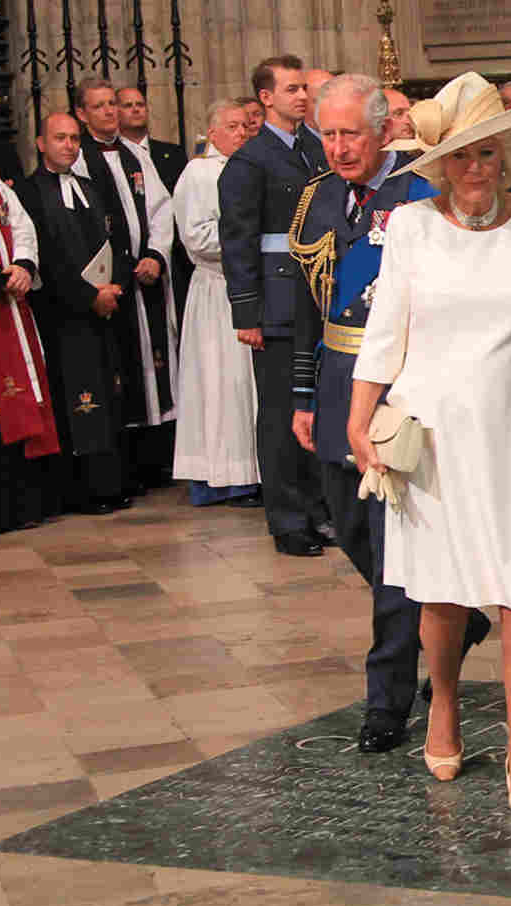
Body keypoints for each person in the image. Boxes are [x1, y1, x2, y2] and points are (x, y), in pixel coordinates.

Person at [348, 73, 511, 815]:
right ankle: (444, 701)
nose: (473, 170)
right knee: (440, 594)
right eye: (458, 159)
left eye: (485, 155)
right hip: (435, 435)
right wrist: (360, 422)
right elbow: (387, 330)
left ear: (508, 154)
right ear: (438, 166)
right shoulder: (412, 227)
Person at [289, 74, 493, 754]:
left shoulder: (417, 190)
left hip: (400, 388)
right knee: (351, 529)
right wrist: (299, 396)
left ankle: (388, 702)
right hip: (334, 381)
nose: (341, 147)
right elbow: (302, 309)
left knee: (397, 555)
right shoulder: (317, 198)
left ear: (383, 131)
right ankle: (454, 624)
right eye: (330, 134)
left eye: (352, 133)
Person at [218, 55, 333, 557]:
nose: (303, 97)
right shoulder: (250, 160)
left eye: (305, 88)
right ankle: (288, 520)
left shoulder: (316, 147)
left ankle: (319, 510)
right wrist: (247, 313)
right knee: (282, 415)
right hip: (278, 300)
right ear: (265, 98)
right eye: (291, 90)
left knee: (318, 409)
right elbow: (237, 240)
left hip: (318, 295)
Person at [17, 113, 133, 515]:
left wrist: (113, 285)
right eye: (59, 138)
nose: (69, 145)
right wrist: (87, 296)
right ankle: (82, 490)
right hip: (63, 315)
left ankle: (112, 481)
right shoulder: (30, 194)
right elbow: (43, 257)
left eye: (73, 139)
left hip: (104, 308)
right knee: (78, 399)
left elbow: (116, 238)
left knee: (109, 393)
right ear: (40, 142)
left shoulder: (89, 187)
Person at [71, 76, 180, 492]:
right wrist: (114, 272)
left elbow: (160, 208)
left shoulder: (135, 156)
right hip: (111, 284)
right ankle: (127, 467)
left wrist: (156, 254)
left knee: (154, 370)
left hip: (145, 280)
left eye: (112, 104)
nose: (109, 112)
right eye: (98, 106)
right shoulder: (80, 159)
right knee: (120, 372)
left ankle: (157, 460)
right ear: (82, 114)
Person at [169, 99, 261, 508]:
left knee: (246, 384)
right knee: (222, 382)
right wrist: (248, 243)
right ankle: (224, 476)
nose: (242, 133)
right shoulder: (199, 172)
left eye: (246, 126)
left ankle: (250, 472)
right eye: (233, 126)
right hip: (217, 289)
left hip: (247, 285)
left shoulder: (246, 169)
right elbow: (196, 236)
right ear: (213, 132)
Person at [0, 161, 60, 535]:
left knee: (13, 400)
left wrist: (23, 265)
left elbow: (21, 223)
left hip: (9, 300)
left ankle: (18, 505)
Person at [118, 85, 193, 335]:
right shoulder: (114, 158)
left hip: (177, 254)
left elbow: (182, 202)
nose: (136, 109)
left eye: (140, 104)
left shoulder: (172, 153)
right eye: (127, 105)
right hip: (138, 257)